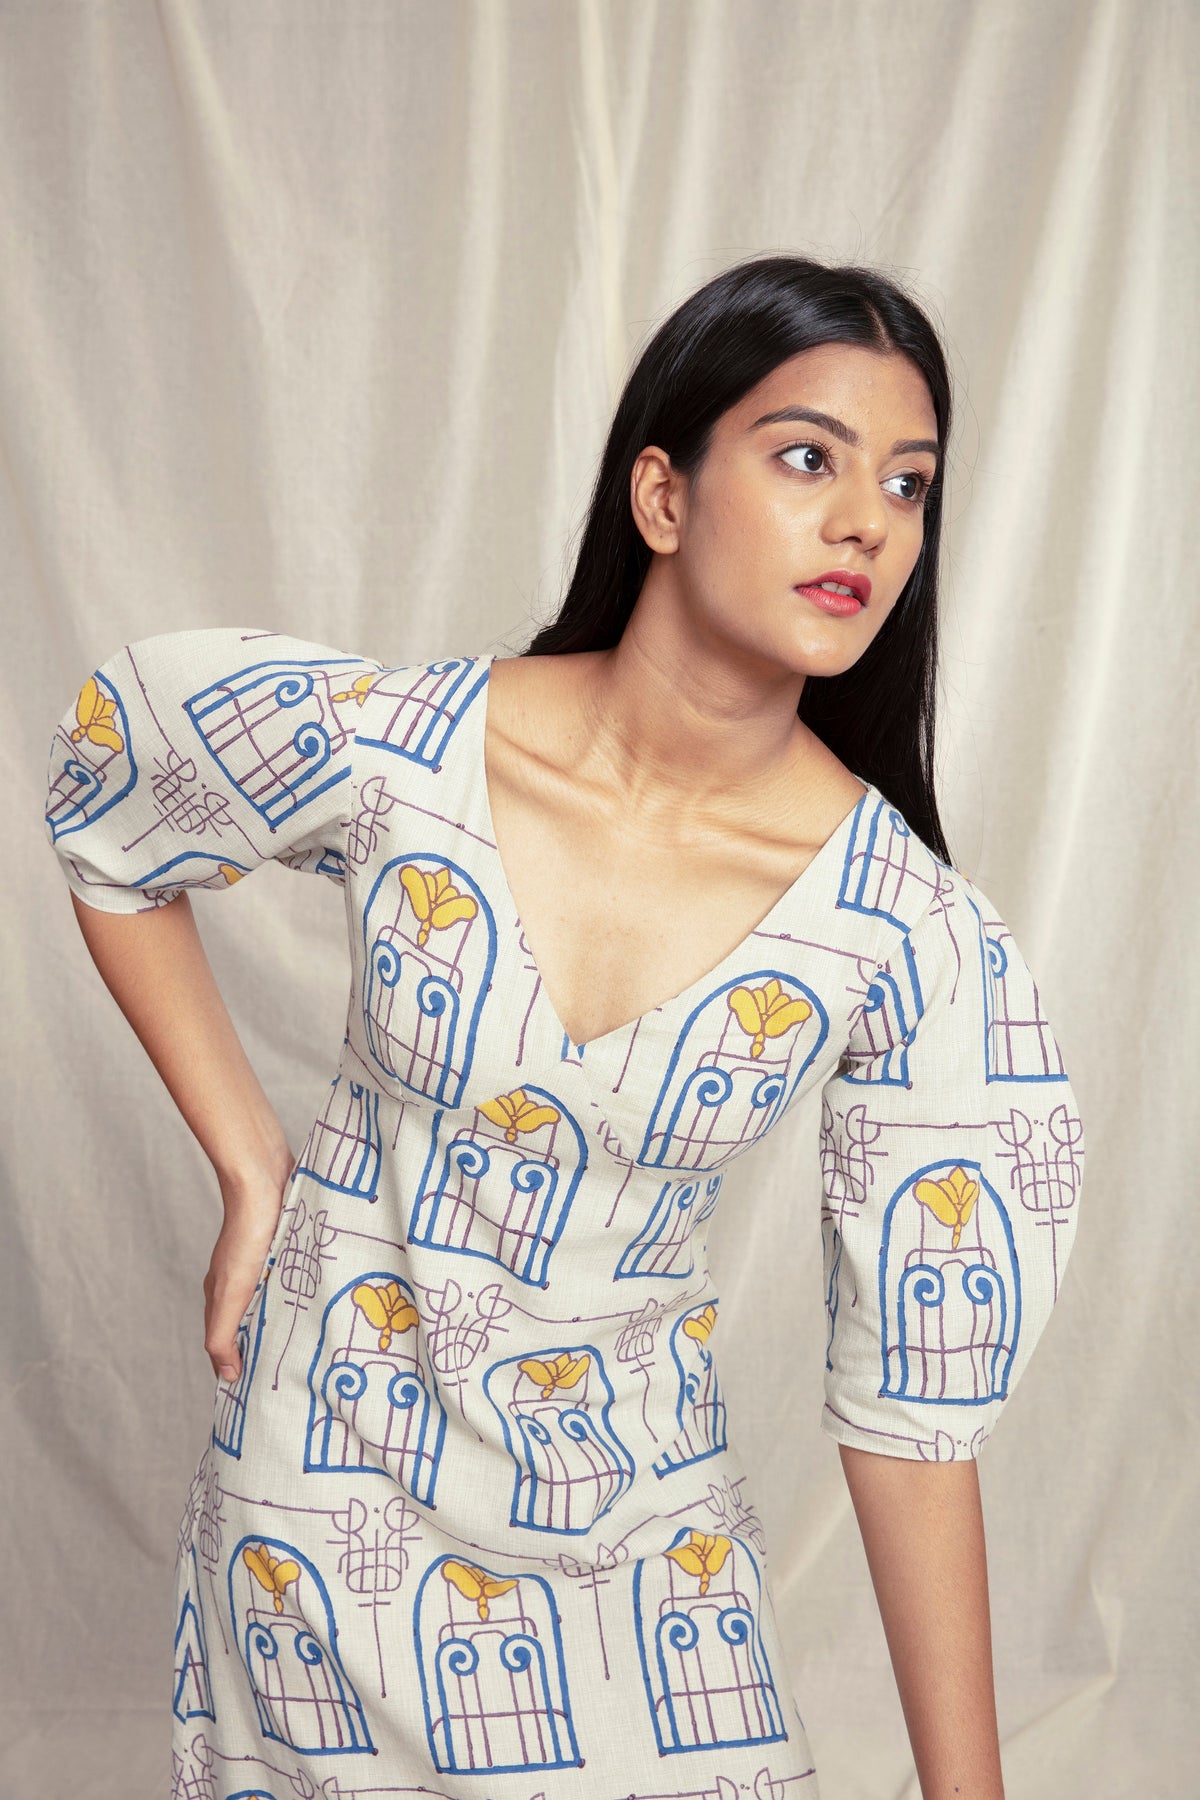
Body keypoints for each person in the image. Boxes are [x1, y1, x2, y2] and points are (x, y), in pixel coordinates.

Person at [43, 253, 1086, 1798]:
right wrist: (251, 1165)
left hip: (639, 1557)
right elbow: (117, 795)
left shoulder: (910, 933)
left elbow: (915, 1413)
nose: (870, 521)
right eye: (810, 458)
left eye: (910, 483)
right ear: (662, 496)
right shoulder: (408, 753)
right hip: (315, 1517)